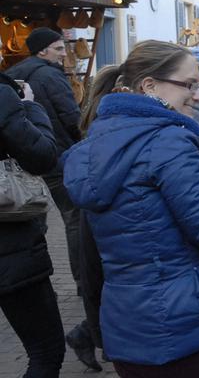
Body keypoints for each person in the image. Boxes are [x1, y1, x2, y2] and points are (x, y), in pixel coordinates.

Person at [62, 40, 199, 376]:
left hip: (129, 329)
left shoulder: (95, 146)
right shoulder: (168, 140)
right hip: (189, 327)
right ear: (149, 86)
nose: (198, 94)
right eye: (188, 84)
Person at [5, 27, 95, 369]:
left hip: (25, 170)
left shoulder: (13, 75)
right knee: (75, 221)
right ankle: (81, 280)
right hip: (57, 158)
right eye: (58, 48)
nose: (63, 53)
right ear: (43, 51)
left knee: (36, 216)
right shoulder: (48, 76)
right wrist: (86, 146)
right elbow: (71, 117)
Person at [0, 59, 66, 377]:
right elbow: (42, 154)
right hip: (9, 246)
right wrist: (29, 108)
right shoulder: (4, 95)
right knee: (45, 351)